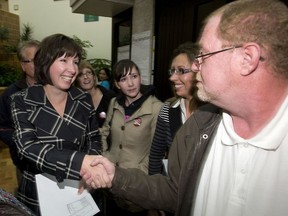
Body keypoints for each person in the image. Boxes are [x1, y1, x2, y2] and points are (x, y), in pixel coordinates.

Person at [80, 0, 288, 216]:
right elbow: (174, 191)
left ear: (247, 59)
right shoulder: (198, 126)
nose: (195, 66)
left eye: (203, 55)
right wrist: (116, 177)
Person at [10, 34, 102, 215]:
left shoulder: (83, 99)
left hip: (79, 187)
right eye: (64, 60)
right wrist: (80, 162)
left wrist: (90, 172)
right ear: (45, 62)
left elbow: (94, 139)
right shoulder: (22, 100)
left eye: (75, 62)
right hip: (39, 191)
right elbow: (27, 147)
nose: (72, 69)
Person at [100, 59, 163, 215]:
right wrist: (105, 158)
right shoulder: (114, 103)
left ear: (140, 78)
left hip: (137, 185)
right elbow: (104, 132)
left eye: (134, 76)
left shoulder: (157, 108)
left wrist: (136, 175)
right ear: (116, 84)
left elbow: (157, 150)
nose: (130, 83)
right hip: (109, 181)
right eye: (123, 79)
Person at [148, 42, 202, 176]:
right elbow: (156, 155)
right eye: (172, 71)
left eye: (181, 71)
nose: (172, 78)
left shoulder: (214, 113)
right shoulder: (167, 109)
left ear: (200, 71)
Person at [0, 40, 40, 184]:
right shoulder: (11, 94)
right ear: (23, 65)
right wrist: (24, 143)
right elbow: (3, 127)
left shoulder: (58, 88)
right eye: (33, 60)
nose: (40, 63)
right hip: (26, 165)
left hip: (57, 163)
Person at [75, 60, 116, 128]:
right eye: (81, 75)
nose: (86, 77)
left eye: (88, 73)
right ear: (77, 80)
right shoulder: (75, 101)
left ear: (94, 77)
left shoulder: (111, 97)